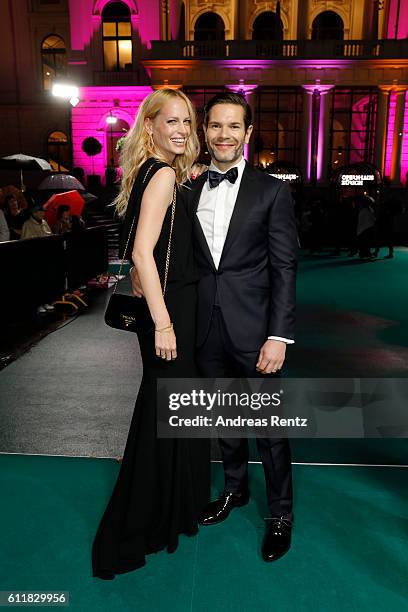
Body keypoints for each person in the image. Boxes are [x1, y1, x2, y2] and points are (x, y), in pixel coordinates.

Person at [132, 92, 298, 563]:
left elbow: (285, 268)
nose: (223, 135)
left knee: (268, 427)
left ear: (247, 134)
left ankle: (282, 514)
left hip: (256, 332)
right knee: (224, 419)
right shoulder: (187, 186)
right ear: (205, 134)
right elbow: (162, 247)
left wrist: (279, 335)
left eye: (234, 127)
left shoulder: (273, 192)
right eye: (215, 126)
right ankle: (234, 490)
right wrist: (135, 272)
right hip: (203, 326)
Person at [92, 88, 210, 579]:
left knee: (167, 414)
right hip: (170, 314)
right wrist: (163, 322)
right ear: (151, 127)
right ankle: (139, 524)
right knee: (163, 415)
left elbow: (151, 246)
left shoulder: (154, 173)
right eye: (172, 122)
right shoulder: (160, 175)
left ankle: (167, 514)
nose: (183, 129)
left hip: (165, 307)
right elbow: (142, 253)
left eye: (188, 121)